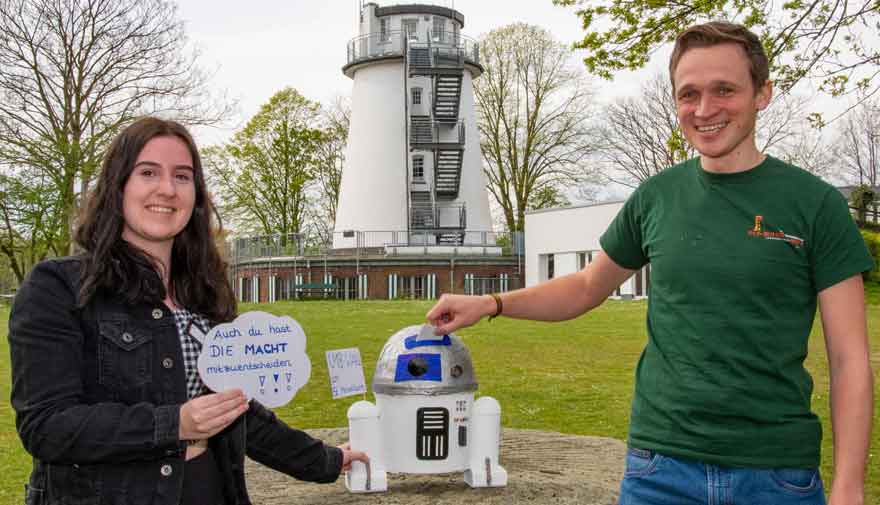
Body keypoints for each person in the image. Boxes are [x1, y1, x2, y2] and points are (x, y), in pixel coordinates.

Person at [427, 21, 874, 505]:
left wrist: (848, 485)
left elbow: (849, 358)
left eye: (724, 90)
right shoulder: (656, 197)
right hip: (660, 470)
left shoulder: (816, 204)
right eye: (689, 94)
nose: (704, 110)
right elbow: (584, 287)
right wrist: (491, 302)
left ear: (762, 93)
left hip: (776, 474)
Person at [9, 117, 368, 505]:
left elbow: (236, 409)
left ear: (195, 194)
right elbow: (46, 426)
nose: (167, 189)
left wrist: (327, 460)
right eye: (148, 172)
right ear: (118, 186)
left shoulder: (205, 293)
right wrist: (174, 424)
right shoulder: (60, 288)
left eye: (182, 176)